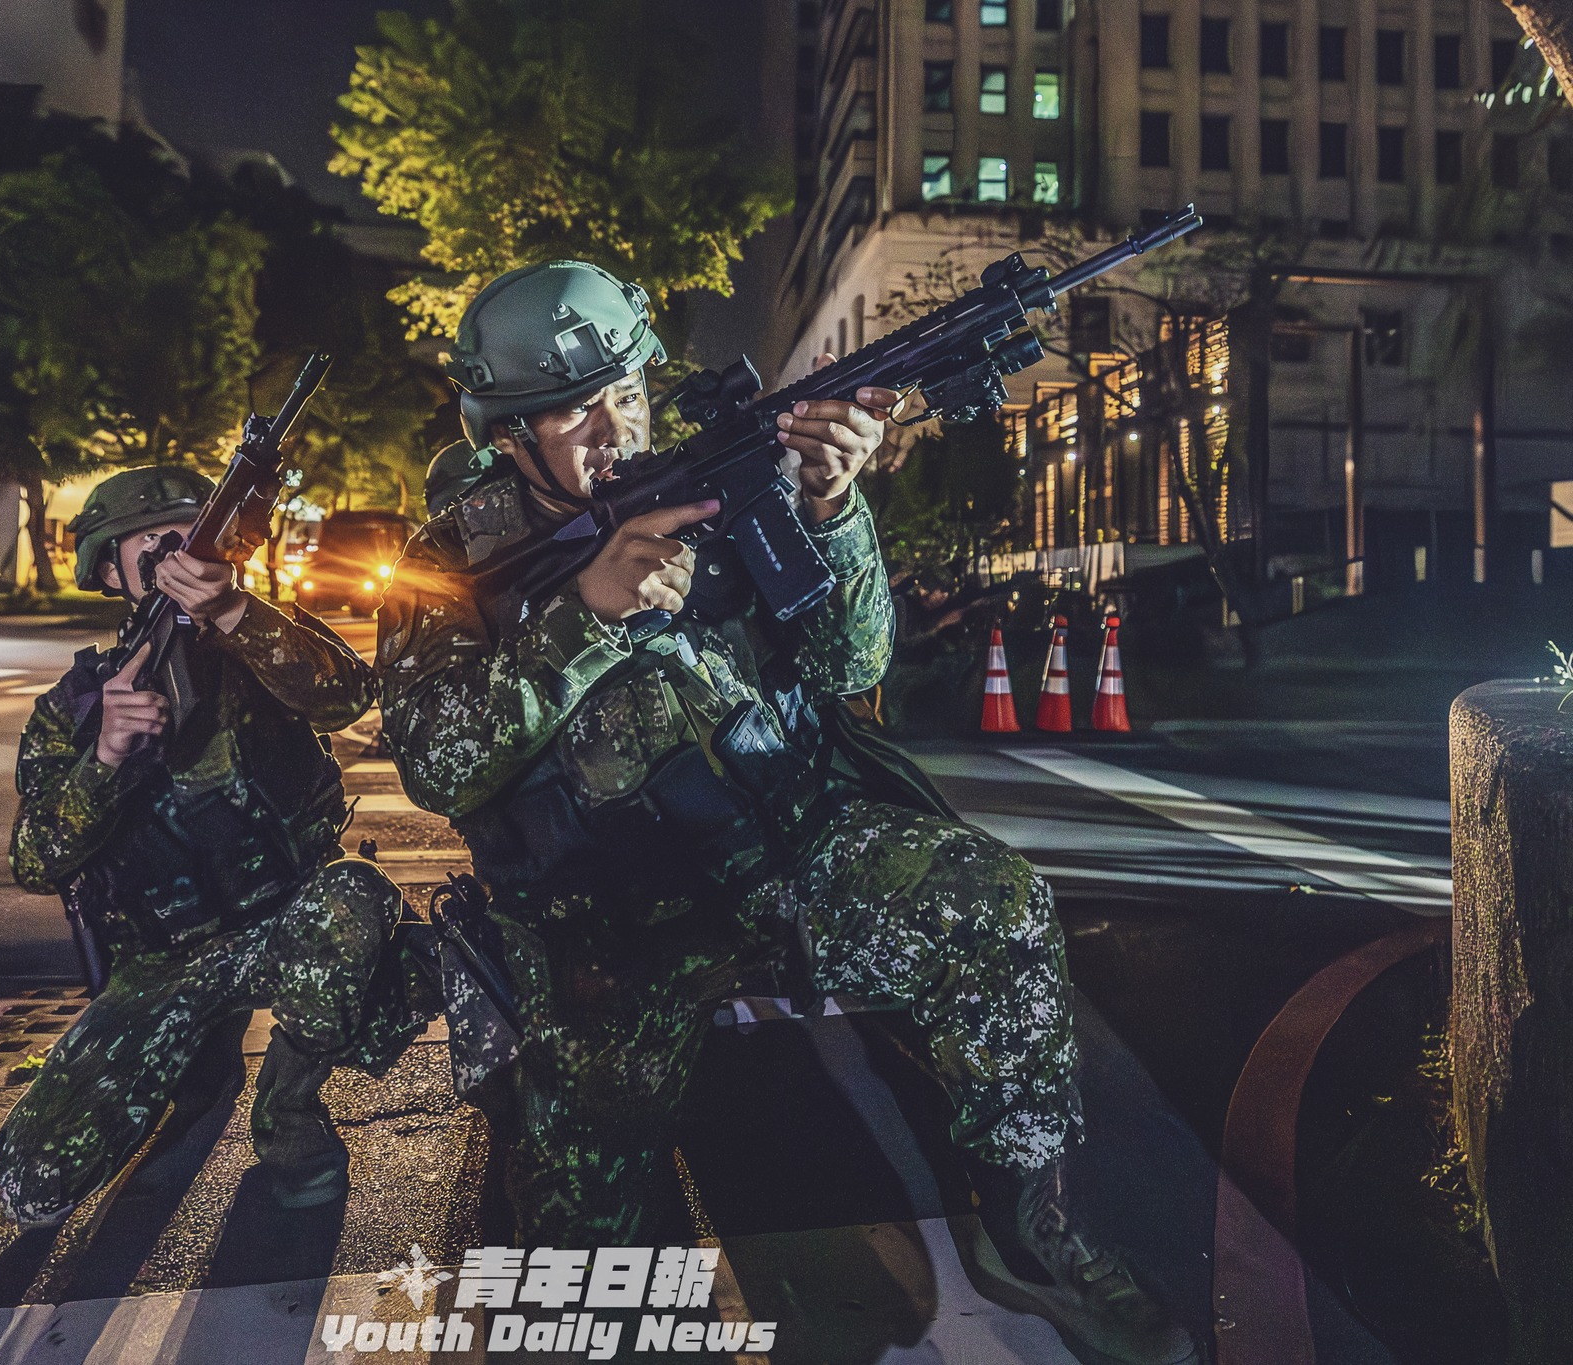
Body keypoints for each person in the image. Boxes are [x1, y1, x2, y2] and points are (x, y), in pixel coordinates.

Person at [379, 262, 1199, 1365]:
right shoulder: (448, 561)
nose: (614, 427)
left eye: (627, 391)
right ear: (508, 433)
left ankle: (1026, 1226)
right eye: (575, 412)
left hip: (783, 849)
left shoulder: (710, 486)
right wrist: (586, 616)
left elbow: (851, 661)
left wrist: (831, 507)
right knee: (586, 1279)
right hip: (603, 931)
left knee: (996, 904)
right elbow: (438, 766)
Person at [0, 466, 426, 1222]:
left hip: (285, 919)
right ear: (108, 568)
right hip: (164, 960)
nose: (176, 555)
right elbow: (34, 859)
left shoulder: (258, 636)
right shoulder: (77, 707)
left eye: (192, 538)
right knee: (33, 1184)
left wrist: (233, 612)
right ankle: (201, 1062)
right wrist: (105, 759)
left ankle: (289, 1105)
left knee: (361, 898)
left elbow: (348, 695)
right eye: (153, 543)